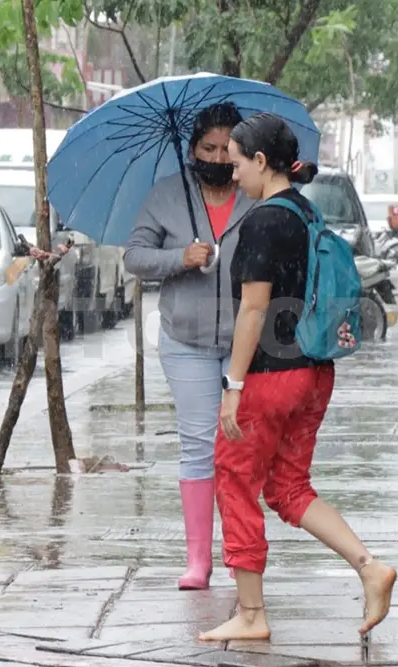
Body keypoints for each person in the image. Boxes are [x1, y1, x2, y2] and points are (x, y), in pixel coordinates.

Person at [198, 113, 396, 642]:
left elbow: (254, 312)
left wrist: (233, 387)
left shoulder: (265, 221)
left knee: (234, 478)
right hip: (313, 372)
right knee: (287, 487)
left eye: (236, 162)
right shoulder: (307, 213)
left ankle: (251, 614)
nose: (230, 172)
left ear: (261, 162)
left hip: (269, 377)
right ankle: (369, 567)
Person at [124, 102, 258, 590]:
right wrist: (178, 258)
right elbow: (134, 257)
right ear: (192, 148)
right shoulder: (166, 196)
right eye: (209, 147)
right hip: (186, 341)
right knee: (201, 446)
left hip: (249, 343)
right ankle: (198, 560)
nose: (220, 157)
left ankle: (240, 549)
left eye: (229, 149)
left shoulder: (255, 191)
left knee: (241, 448)